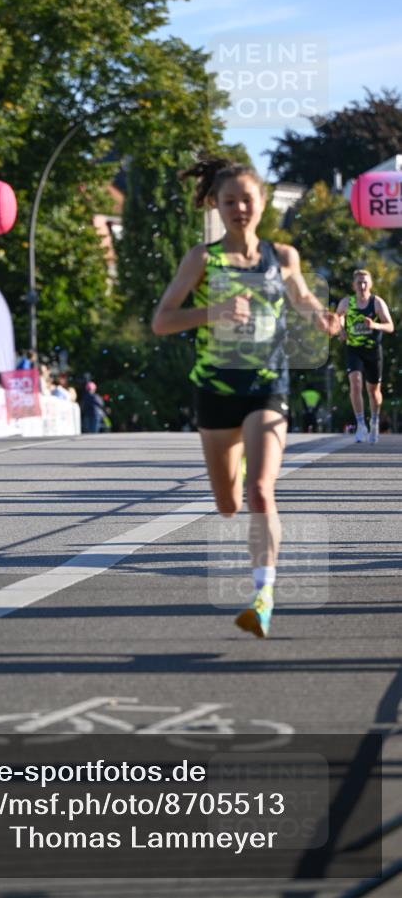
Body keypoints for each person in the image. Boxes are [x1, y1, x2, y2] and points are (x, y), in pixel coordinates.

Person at [152, 157, 340, 638]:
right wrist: (212, 311)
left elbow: (302, 298)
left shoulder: (283, 256)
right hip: (215, 390)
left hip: (267, 386)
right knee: (229, 504)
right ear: (215, 205)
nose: (239, 208)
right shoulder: (202, 259)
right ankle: (234, 462)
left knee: (260, 490)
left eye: (247, 200)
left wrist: (322, 317)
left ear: (262, 202)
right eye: (229, 201)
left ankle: (263, 597)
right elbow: (162, 321)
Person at [336, 269, 394, 444]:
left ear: (370, 284)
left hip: (373, 350)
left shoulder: (377, 303)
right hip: (354, 349)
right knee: (355, 383)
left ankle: (374, 421)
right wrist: (341, 330)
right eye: (359, 282)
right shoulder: (347, 302)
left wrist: (375, 325)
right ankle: (361, 424)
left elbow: (390, 326)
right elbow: (338, 317)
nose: (362, 286)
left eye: (365, 282)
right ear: (353, 285)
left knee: (373, 391)